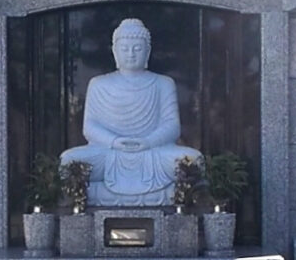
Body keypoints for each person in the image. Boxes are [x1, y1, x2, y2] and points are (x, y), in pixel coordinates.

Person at [60, 18, 201, 206]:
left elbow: (172, 127)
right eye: (125, 49)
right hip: (108, 152)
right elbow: (90, 127)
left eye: (137, 49)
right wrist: (114, 142)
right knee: (68, 161)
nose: (131, 54)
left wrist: (148, 142)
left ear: (148, 52)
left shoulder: (163, 83)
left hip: (153, 153)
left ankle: (95, 195)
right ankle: (170, 195)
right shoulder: (99, 84)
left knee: (194, 161)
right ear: (115, 51)